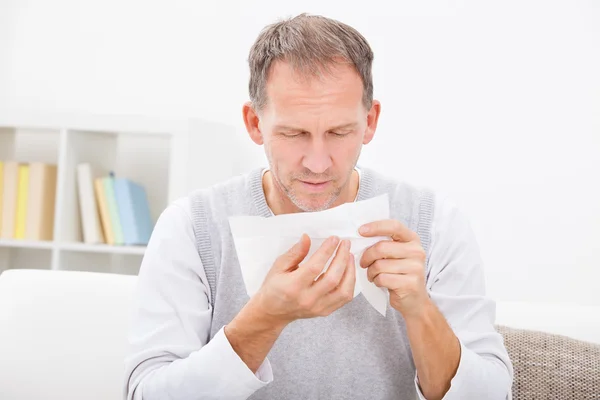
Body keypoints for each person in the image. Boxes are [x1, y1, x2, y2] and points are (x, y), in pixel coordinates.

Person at [124, 13, 513, 400]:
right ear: (254, 123)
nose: (317, 163)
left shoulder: (434, 225)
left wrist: (419, 310)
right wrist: (265, 318)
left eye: (339, 132)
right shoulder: (193, 228)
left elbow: (493, 395)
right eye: (293, 133)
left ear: (370, 121)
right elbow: (146, 394)